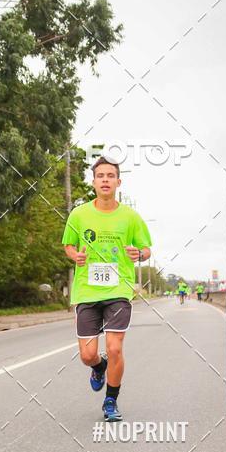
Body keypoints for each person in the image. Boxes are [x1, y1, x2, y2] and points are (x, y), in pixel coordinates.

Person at [62, 156, 152, 422]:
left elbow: (146, 249)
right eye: (100, 176)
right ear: (93, 182)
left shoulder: (130, 217)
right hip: (87, 291)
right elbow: (68, 245)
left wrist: (139, 254)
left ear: (118, 182)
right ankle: (98, 367)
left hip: (118, 291)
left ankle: (111, 400)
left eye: (110, 176)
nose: (105, 180)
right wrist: (75, 256)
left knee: (114, 348)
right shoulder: (79, 214)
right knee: (88, 355)